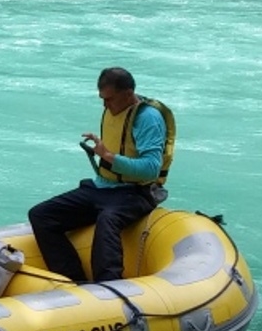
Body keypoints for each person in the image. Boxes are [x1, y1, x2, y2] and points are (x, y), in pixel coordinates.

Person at [27, 67, 176, 284]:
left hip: (137, 192)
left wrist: (109, 157)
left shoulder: (148, 118)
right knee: (41, 215)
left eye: (110, 99)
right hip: (102, 187)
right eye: (102, 99)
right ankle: (74, 280)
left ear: (128, 94)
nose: (105, 105)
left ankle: (108, 285)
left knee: (108, 219)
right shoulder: (112, 108)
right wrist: (105, 155)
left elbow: (151, 168)